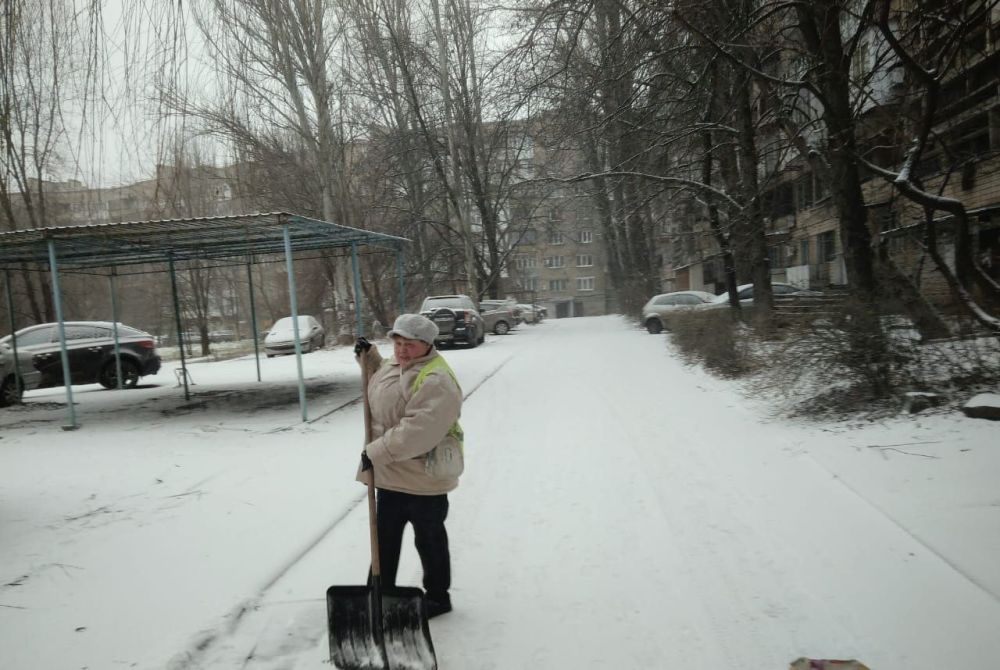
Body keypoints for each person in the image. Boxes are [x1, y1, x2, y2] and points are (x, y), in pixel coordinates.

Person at [353, 313, 464, 619]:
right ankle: (379, 593)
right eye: (397, 343)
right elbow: (382, 386)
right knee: (384, 541)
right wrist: (370, 359)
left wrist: (375, 452)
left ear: (427, 345)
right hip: (391, 475)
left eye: (409, 345)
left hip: (423, 477)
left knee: (429, 540)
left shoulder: (435, 379)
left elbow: (418, 431)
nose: (401, 350)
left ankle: (439, 597)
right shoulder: (397, 365)